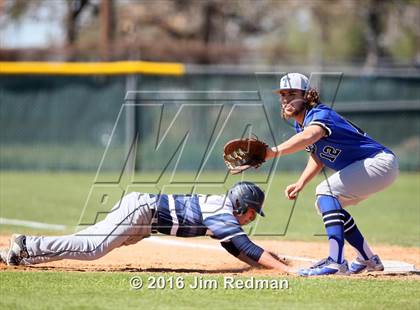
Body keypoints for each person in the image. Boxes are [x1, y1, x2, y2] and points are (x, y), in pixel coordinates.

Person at [266, 73, 398, 276]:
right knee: (326, 203)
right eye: (283, 94)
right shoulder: (300, 124)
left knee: (326, 192)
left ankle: (336, 262)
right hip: (367, 167)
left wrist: (274, 151)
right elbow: (318, 156)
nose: (286, 98)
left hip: (379, 162)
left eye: (292, 93)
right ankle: (367, 258)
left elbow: (311, 136)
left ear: (307, 95)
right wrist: (301, 182)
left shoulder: (320, 115)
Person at [1, 181, 290, 273]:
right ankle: (28, 244)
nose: (252, 219)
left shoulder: (222, 214)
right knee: (92, 248)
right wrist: (286, 269)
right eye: (252, 213)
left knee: (88, 242)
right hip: (142, 212)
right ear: (240, 206)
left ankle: (21, 254)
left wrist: (263, 264)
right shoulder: (223, 213)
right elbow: (245, 246)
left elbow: (234, 247)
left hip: (143, 220)